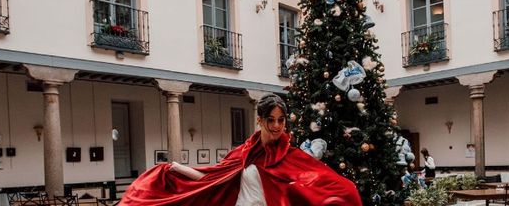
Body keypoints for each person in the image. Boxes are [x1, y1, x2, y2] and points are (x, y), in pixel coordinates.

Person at [120, 93, 361, 205]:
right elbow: (211, 181)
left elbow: (324, 183)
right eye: (271, 119)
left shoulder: (292, 156)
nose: (277, 126)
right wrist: (176, 168)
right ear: (260, 120)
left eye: (281, 120)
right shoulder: (243, 153)